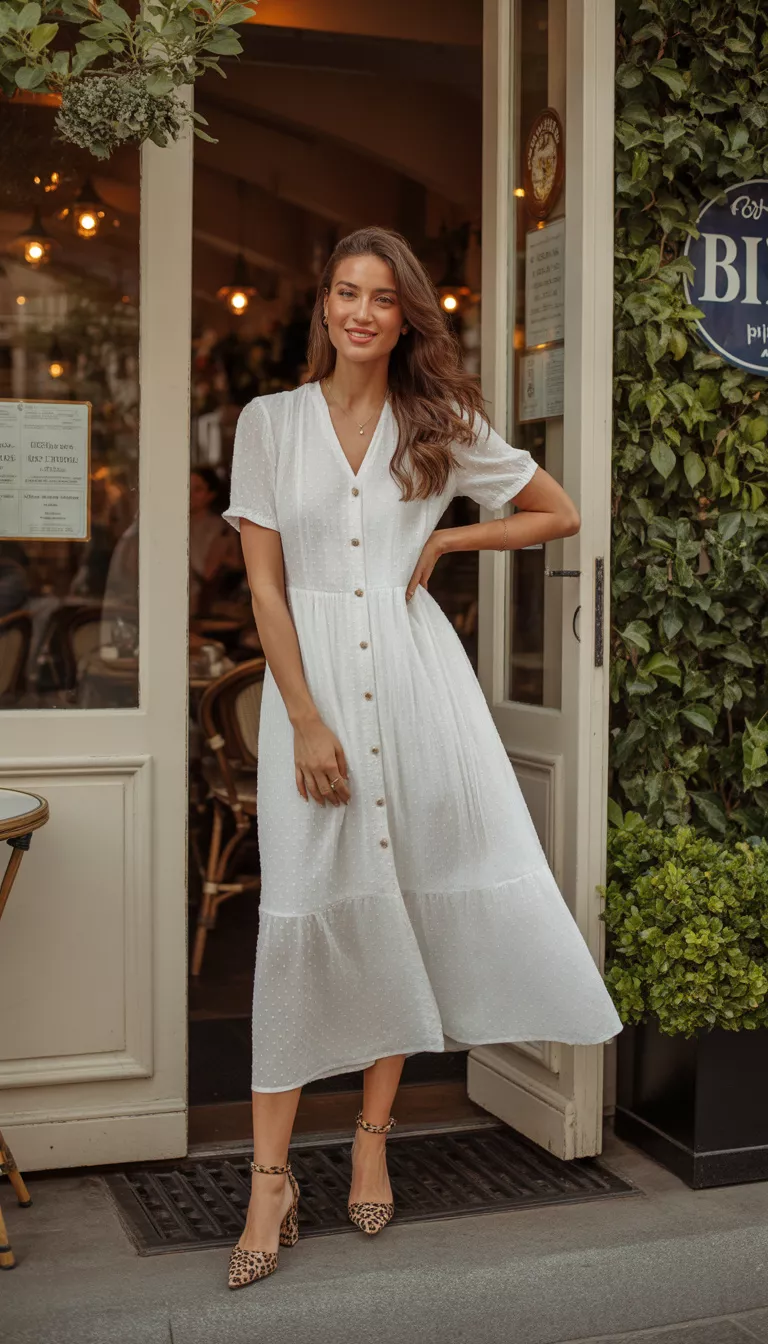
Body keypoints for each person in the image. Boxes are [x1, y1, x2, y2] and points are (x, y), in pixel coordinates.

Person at [222, 226, 623, 1291]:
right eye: (346, 293)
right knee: (303, 916)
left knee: (395, 896)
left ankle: (370, 1136)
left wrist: (445, 540)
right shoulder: (268, 423)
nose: (361, 312)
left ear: (406, 316)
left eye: (382, 298)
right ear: (323, 305)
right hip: (315, 702)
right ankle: (269, 1179)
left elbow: (559, 510)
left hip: (415, 685)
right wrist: (302, 719)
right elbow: (266, 589)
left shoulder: (437, 422)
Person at [189, 467, 242, 616]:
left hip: (210, 606)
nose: (190, 494)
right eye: (187, 486)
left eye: (198, 489)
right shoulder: (176, 524)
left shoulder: (220, 527)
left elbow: (207, 571)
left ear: (210, 495)